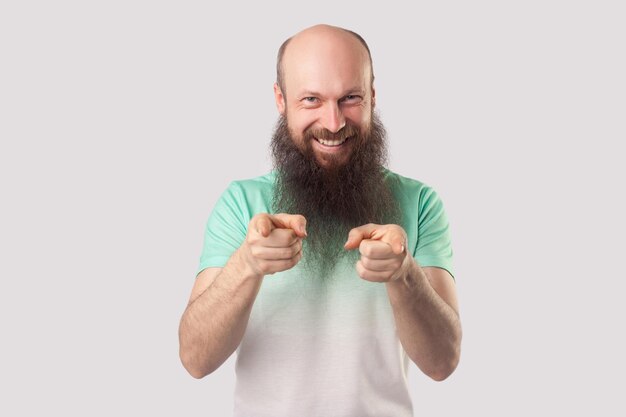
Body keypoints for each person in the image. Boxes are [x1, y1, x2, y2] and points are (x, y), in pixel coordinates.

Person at [178, 24, 462, 417]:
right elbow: (195, 360)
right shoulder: (241, 203)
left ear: (373, 96)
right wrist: (248, 263)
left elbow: (443, 362)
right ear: (281, 99)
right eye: (311, 99)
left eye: (350, 98)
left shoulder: (420, 202)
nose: (332, 122)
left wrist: (404, 274)